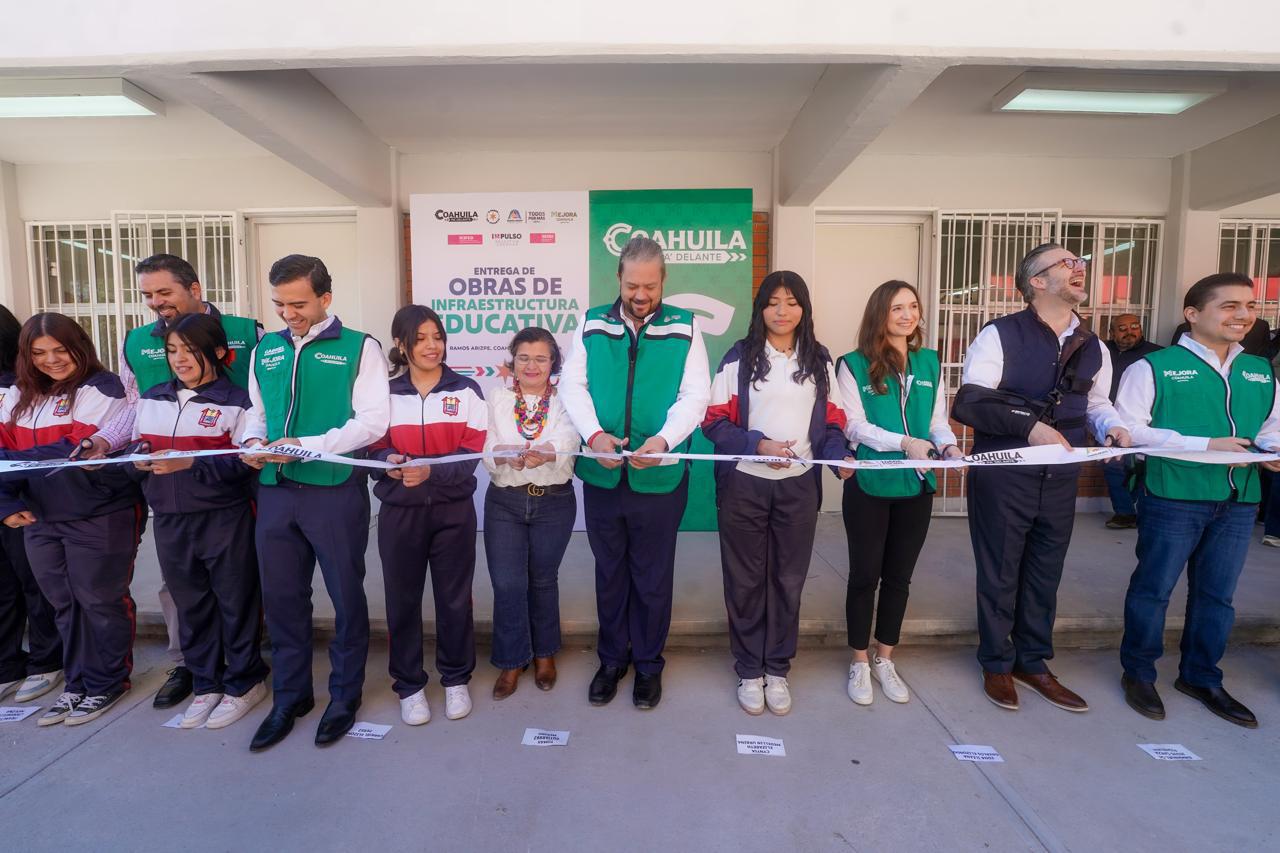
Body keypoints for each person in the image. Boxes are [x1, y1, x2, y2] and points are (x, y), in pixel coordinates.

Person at [952, 242, 1130, 714]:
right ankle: (996, 661)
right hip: (1005, 471)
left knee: (1045, 572)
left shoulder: (1093, 345)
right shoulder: (1000, 334)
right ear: (1036, 281)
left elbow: (1097, 404)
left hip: (1061, 476)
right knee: (1000, 569)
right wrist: (1028, 426)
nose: (1080, 268)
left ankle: (1033, 663)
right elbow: (969, 401)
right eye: (1066, 263)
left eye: (1080, 262)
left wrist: (1112, 428)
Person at [83, 253, 263, 711]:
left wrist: (195, 465)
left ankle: (243, 675)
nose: (155, 303)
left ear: (194, 289)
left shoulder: (249, 337)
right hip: (171, 510)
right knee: (185, 594)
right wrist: (111, 446)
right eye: (147, 295)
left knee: (239, 590)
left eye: (164, 292)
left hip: (230, 503)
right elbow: (130, 412)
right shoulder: (146, 374)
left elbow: (249, 440)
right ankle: (201, 676)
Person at [1116, 272, 1280, 728]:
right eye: (1229, 306)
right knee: (1154, 590)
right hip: (1173, 494)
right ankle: (1139, 673)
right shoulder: (1154, 367)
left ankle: (1201, 676)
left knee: (1218, 596)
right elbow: (1131, 431)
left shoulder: (1259, 369)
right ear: (1193, 315)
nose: (1243, 314)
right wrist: (1204, 443)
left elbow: (1270, 427)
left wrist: (1272, 452)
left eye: (1248, 305)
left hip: (1239, 497)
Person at [241, 254, 389, 751]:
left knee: (346, 598)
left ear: (326, 298)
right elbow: (256, 415)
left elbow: (372, 422)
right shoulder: (266, 350)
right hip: (277, 493)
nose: (289, 313)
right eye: (280, 304)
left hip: (333, 491)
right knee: (283, 600)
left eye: (299, 303)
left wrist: (313, 445)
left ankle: (343, 698)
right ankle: (291, 697)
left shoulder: (359, 347)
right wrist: (252, 445)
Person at [559, 235, 711, 710]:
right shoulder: (590, 322)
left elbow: (696, 396)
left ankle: (647, 664)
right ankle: (611, 660)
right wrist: (593, 435)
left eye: (649, 285)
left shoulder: (686, 327)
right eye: (631, 285)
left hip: (660, 477)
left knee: (652, 575)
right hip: (604, 474)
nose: (640, 295)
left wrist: (664, 441)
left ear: (663, 280)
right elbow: (573, 385)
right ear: (618, 279)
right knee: (610, 572)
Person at [702, 271, 847, 716]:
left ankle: (777, 669)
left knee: (787, 580)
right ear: (760, 309)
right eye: (773, 302)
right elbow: (713, 422)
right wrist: (757, 444)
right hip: (744, 483)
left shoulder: (819, 360)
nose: (782, 311)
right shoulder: (739, 358)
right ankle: (749, 669)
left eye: (792, 302)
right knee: (745, 580)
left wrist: (839, 456)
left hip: (798, 487)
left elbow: (836, 421)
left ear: (804, 309)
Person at [0, 313, 145, 726]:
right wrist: (5, 506)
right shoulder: (18, 396)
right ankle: (78, 683)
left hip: (100, 514)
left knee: (99, 599)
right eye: (39, 352)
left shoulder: (103, 388)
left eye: (60, 350)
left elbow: (68, 453)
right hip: (41, 520)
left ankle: (107, 681)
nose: (51, 360)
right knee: (62, 603)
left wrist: (10, 461)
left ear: (79, 347)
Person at [130, 313, 268, 729]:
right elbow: (138, 450)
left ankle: (244, 681)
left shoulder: (238, 401)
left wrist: (192, 465)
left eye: (191, 350)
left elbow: (245, 464)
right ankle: (207, 683)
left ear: (219, 353)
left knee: (236, 600)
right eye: (173, 351)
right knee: (190, 604)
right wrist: (137, 460)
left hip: (224, 517)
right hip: (170, 519)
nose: (180, 359)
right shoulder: (152, 397)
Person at [836, 281, 964, 707]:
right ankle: (858, 660)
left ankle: (884, 657)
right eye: (897, 308)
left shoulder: (929, 362)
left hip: (917, 484)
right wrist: (904, 443)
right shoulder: (853, 364)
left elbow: (937, 420)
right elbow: (853, 426)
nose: (907, 315)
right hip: (870, 484)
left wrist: (947, 445)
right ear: (880, 314)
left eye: (912, 307)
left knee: (899, 578)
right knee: (864, 576)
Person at [370, 305, 487, 725]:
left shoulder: (467, 390)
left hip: (453, 511)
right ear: (401, 344)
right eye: (419, 338)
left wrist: (429, 470)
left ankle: (455, 679)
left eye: (436, 336)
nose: (431, 346)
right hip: (400, 512)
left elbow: (471, 453)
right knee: (402, 600)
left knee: (455, 598)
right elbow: (373, 445)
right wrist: (390, 459)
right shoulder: (383, 392)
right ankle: (410, 686)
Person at [482, 327, 578, 700]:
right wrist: (503, 452)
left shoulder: (566, 398)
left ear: (553, 362)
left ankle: (543, 655)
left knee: (542, 580)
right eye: (524, 357)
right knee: (507, 583)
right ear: (513, 360)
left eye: (541, 358)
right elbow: (486, 440)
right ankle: (511, 659)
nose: (532, 365)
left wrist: (549, 450)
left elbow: (570, 438)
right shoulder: (497, 396)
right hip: (505, 500)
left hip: (552, 501)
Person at [0, 304, 64, 705]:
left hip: (22, 500)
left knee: (34, 583)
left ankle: (46, 661)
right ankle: (7, 664)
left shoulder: (20, 388)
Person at [1102, 314, 1162, 529]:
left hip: (1147, 422)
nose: (1130, 331)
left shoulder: (1158, 354)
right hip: (1110, 420)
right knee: (1114, 467)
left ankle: (1137, 508)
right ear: (1111, 332)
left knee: (1142, 468)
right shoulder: (1101, 350)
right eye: (1122, 328)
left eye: (1135, 326)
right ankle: (1125, 512)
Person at [1169, 313, 1270, 357]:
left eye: (1250, 306)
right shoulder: (1185, 328)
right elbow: (1175, 353)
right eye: (1229, 306)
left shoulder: (1261, 325)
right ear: (1191, 314)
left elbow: (1266, 350)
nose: (1243, 314)